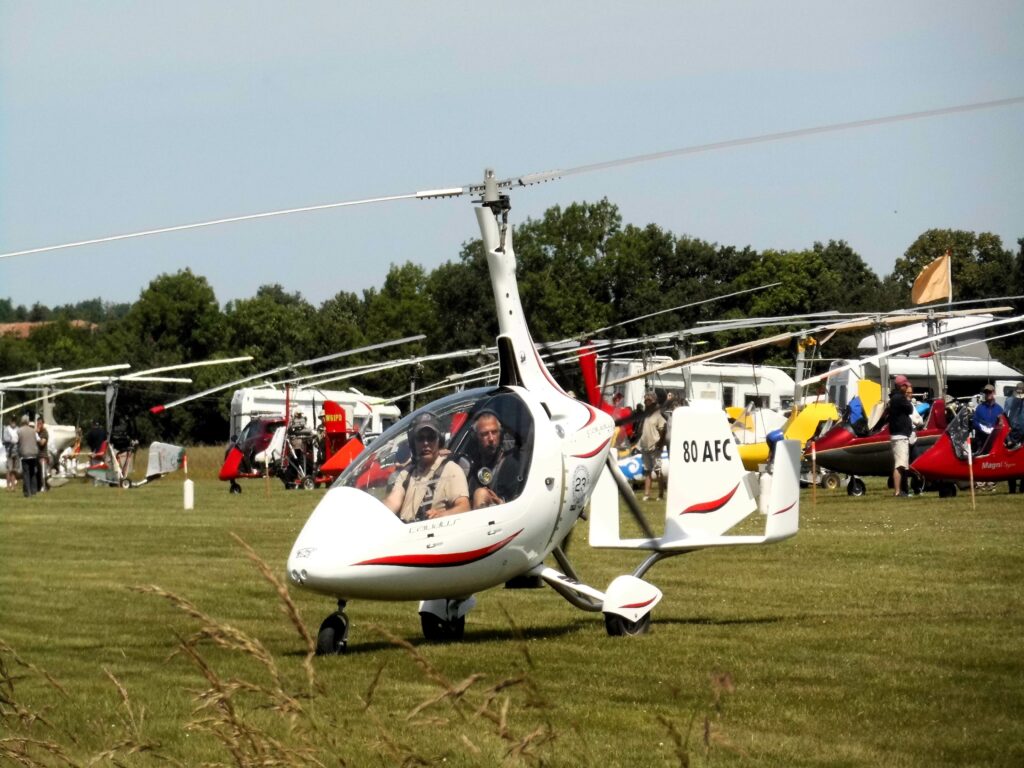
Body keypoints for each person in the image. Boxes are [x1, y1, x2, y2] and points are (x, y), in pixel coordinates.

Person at [385, 412, 469, 522]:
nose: (425, 443)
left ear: (439, 440)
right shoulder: (406, 473)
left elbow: (464, 508)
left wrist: (442, 515)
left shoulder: (451, 470)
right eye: (420, 438)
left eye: (431, 437)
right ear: (413, 443)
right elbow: (392, 502)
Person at [465, 410, 521, 509]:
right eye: (484, 434)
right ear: (475, 437)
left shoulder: (511, 464)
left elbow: (519, 503)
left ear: (501, 434)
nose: (491, 438)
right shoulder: (471, 465)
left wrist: (501, 503)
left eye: (494, 432)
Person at [638, 391, 667, 502]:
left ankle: (661, 494)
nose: (646, 401)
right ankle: (647, 494)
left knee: (658, 471)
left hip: (655, 447)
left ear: (654, 401)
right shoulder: (645, 414)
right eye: (645, 400)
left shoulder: (658, 414)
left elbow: (663, 430)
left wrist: (659, 444)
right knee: (647, 471)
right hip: (644, 447)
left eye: (649, 400)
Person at [888, 375, 914, 497]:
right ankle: (898, 491)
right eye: (905, 386)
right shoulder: (899, 398)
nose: (907, 388)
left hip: (898, 435)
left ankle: (902, 490)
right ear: (901, 386)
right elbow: (910, 409)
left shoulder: (895, 397)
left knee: (902, 464)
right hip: (900, 436)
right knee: (900, 465)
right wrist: (907, 399)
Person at [1003, 381, 1024, 493]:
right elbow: (1006, 417)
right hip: (1012, 435)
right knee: (1011, 462)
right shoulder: (1010, 401)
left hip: (1022, 435)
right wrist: (1008, 437)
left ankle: (1022, 487)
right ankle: (1012, 489)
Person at [972, 384, 1004, 456]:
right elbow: (974, 422)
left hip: (994, 443)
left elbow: (1002, 425)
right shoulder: (979, 408)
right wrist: (983, 428)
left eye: (990, 392)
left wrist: (1000, 422)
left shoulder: (999, 409)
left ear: (994, 392)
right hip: (982, 443)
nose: (988, 394)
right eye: (986, 392)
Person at [17, 415, 39, 498]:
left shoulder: (19, 431)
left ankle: (27, 492)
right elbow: (38, 439)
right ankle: (34, 491)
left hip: (25, 454)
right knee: (33, 473)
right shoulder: (33, 431)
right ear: (28, 422)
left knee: (26, 474)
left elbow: (15, 440)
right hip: (33, 454)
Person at [4, 416, 19, 492]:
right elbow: (5, 438)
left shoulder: (18, 429)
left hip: (16, 452)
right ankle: (8, 486)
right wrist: (11, 440)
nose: (13, 422)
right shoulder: (7, 429)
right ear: (10, 421)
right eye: (12, 420)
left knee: (14, 470)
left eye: (14, 420)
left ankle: (13, 486)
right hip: (9, 452)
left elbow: (19, 439)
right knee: (9, 469)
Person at [35, 417, 49, 492]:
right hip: (37, 455)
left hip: (43, 455)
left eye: (40, 423)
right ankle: (39, 486)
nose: (39, 425)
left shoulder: (44, 432)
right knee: (38, 472)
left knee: (43, 472)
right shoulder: (37, 432)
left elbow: (42, 443)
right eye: (38, 423)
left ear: (43, 424)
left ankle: (44, 486)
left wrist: (36, 435)